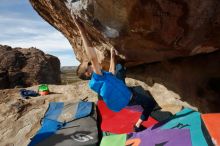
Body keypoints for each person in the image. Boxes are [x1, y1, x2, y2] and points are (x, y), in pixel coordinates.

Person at [73, 15, 156, 132]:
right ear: (88, 73)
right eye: (89, 65)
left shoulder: (100, 78)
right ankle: (137, 125)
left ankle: (138, 122)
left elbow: (111, 73)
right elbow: (93, 57)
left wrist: (112, 56)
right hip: (129, 97)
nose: (91, 64)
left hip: (122, 99)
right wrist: (81, 29)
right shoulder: (97, 77)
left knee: (118, 69)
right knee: (150, 103)